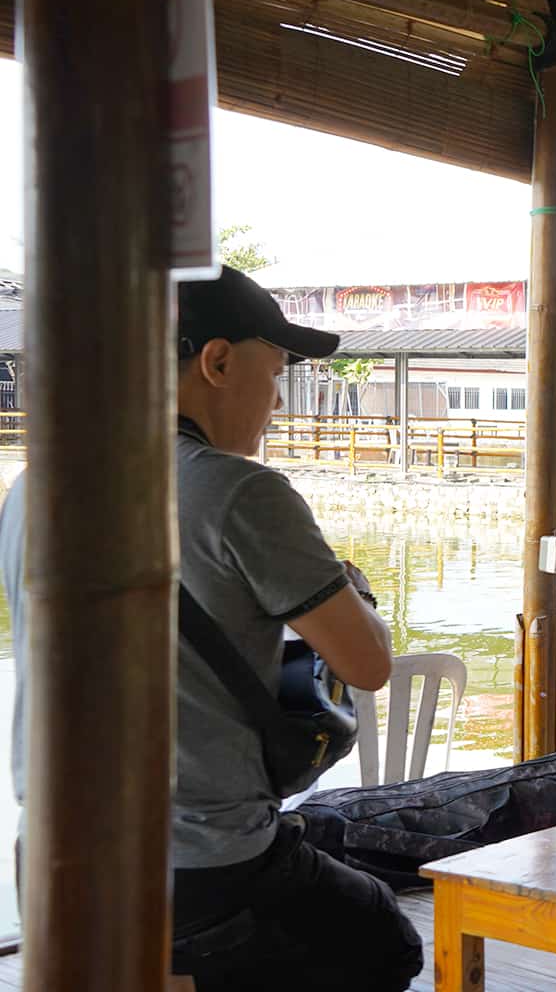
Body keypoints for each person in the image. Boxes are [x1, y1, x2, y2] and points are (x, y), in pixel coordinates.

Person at [0, 266, 420, 991]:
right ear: (218, 361)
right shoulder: (241, 491)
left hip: (52, 860)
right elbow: (368, 664)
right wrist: (355, 591)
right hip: (198, 866)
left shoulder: (35, 485)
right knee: (383, 943)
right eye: (277, 367)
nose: (279, 397)